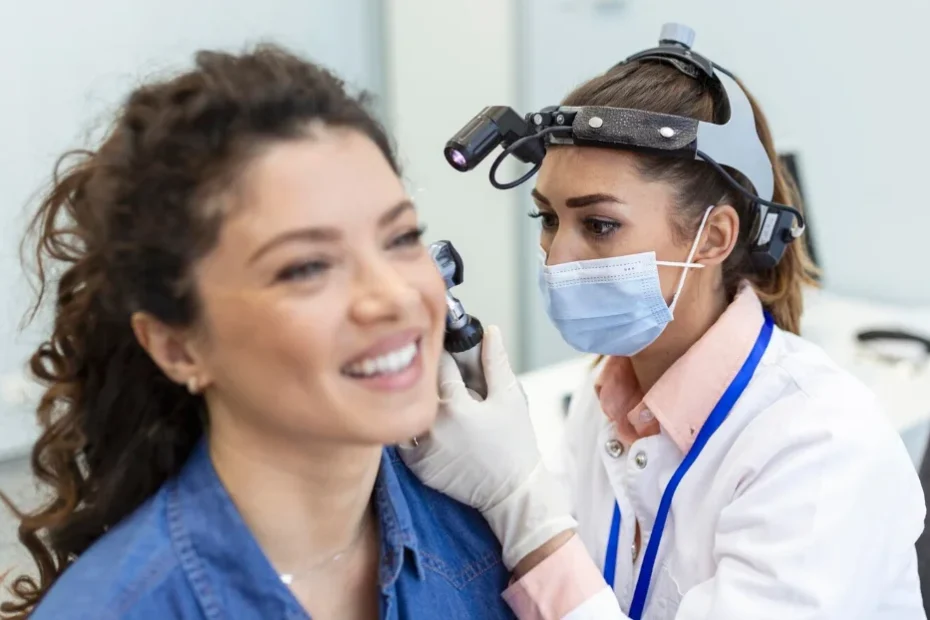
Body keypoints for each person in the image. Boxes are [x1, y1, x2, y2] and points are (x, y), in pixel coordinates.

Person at [0, 46, 584, 619]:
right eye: (307, 267)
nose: (395, 297)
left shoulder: (477, 526)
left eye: (400, 239)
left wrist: (520, 502)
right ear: (177, 346)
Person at [400, 36, 928, 619]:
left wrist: (518, 499)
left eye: (599, 225)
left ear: (716, 238)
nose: (556, 257)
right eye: (548, 219)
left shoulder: (822, 446)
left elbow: (548, 548)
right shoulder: (607, 396)